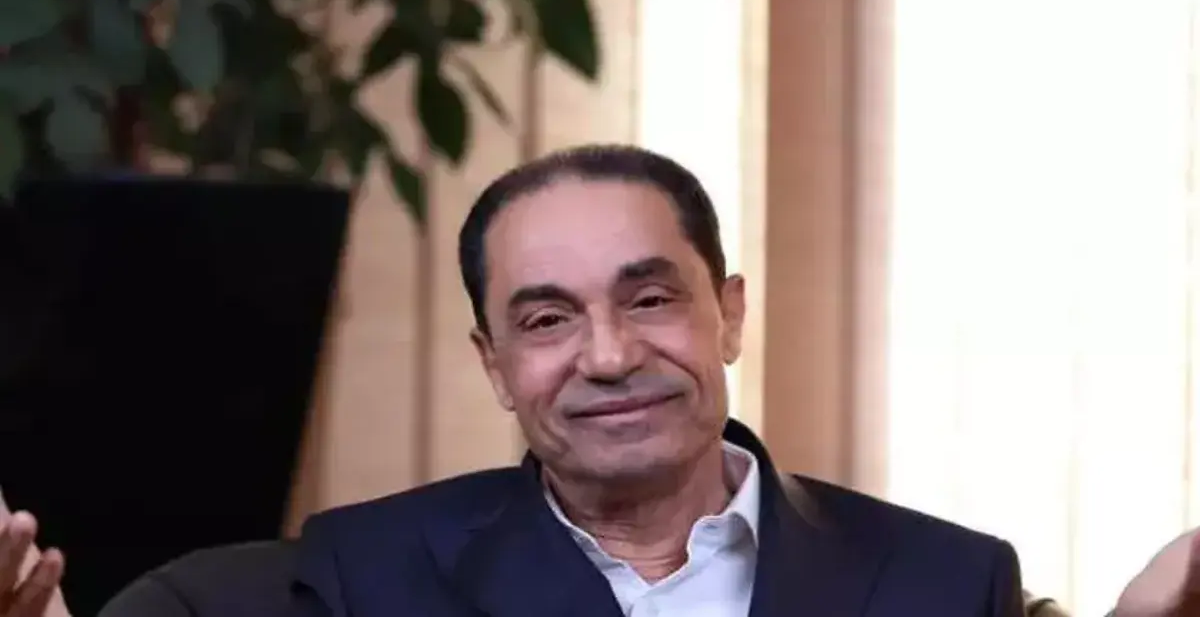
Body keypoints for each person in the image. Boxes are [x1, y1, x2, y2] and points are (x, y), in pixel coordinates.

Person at [0, 145, 1196, 617]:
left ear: (729, 311)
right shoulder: (357, 577)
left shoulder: (946, 583)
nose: (611, 354)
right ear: (495, 365)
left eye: (651, 298)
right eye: (546, 319)